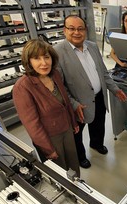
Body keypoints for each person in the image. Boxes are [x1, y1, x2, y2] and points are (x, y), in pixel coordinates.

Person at [54, 15, 127, 169]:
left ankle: (96, 144)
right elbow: (59, 87)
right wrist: (74, 104)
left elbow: (104, 73)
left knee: (99, 124)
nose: (76, 32)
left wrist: (114, 89)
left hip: (99, 96)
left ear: (85, 30)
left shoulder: (92, 46)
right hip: (78, 104)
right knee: (77, 134)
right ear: (64, 30)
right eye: (71, 28)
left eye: (80, 28)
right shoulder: (58, 52)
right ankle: (80, 156)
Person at [13, 39, 80, 176]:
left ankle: (78, 188)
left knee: (73, 163)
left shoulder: (54, 74)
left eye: (46, 57)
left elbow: (65, 101)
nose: (44, 63)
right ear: (29, 61)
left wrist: (73, 122)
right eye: (37, 58)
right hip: (50, 137)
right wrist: (48, 149)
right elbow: (32, 124)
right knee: (59, 171)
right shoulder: (23, 87)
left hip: (66, 128)